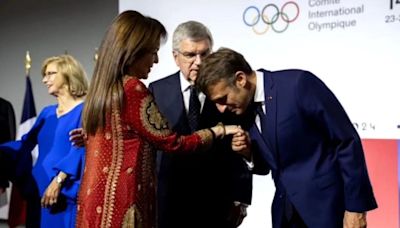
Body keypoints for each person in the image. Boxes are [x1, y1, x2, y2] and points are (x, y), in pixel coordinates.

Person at [75, 11, 240, 228]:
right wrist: (216, 131)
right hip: (125, 201)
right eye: (152, 52)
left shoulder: (103, 88)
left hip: (96, 202)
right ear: (133, 51)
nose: (156, 60)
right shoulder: (133, 88)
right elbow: (173, 142)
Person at [196, 47, 378, 228]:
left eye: (222, 99)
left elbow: (346, 141)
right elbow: (271, 165)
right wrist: (248, 153)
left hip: (330, 211)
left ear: (240, 79)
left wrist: (356, 208)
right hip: (286, 215)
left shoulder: (298, 84)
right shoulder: (242, 111)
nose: (221, 108)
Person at [148, 21, 252, 228]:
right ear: (175, 57)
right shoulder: (157, 90)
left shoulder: (229, 91)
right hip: (170, 202)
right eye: (190, 55)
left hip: (217, 203)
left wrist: (241, 198)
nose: (198, 62)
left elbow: (240, 144)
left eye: (204, 54)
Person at [0, 54, 88, 228]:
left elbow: (80, 150)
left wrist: (58, 181)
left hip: (64, 191)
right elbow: (24, 144)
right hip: (38, 190)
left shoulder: (85, 110)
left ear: (68, 74)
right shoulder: (47, 113)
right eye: (44, 75)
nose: (44, 80)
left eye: (51, 74)